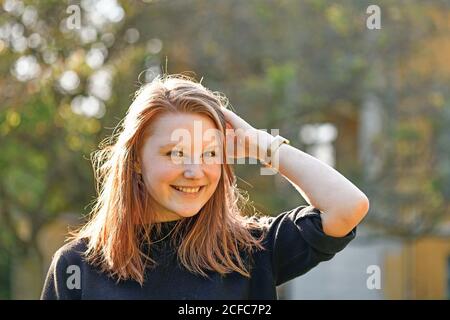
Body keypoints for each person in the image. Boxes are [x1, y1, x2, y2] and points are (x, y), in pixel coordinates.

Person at [41, 74, 369, 300]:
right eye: (176, 153)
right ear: (137, 159)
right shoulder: (77, 267)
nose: (195, 171)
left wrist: (262, 145)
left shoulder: (250, 252)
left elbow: (347, 207)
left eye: (209, 153)